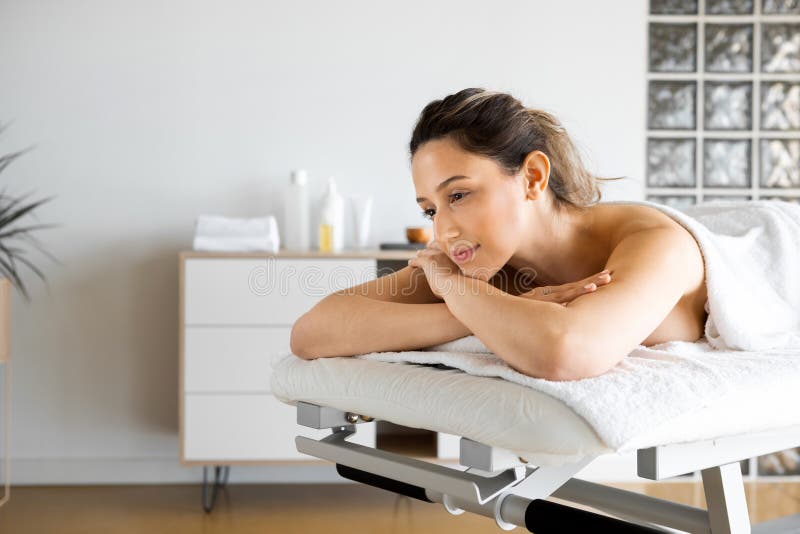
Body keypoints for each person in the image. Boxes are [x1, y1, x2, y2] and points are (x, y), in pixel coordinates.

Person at [290, 88, 708, 381]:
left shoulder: (656, 243)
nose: (443, 229)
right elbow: (312, 332)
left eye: (459, 194)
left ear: (532, 177)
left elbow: (564, 351)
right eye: (430, 209)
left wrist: (464, 295)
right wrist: (471, 304)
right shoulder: (469, 264)